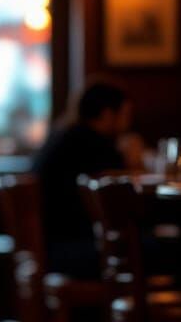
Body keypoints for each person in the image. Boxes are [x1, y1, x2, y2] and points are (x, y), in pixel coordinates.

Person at [31, 79, 136, 278]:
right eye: (126, 114)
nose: (128, 123)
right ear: (107, 114)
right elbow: (122, 203)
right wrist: (128, 160)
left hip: (52, 247)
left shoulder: (64, 137)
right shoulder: (97, 147)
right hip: (75, 249)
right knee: (166, 250)